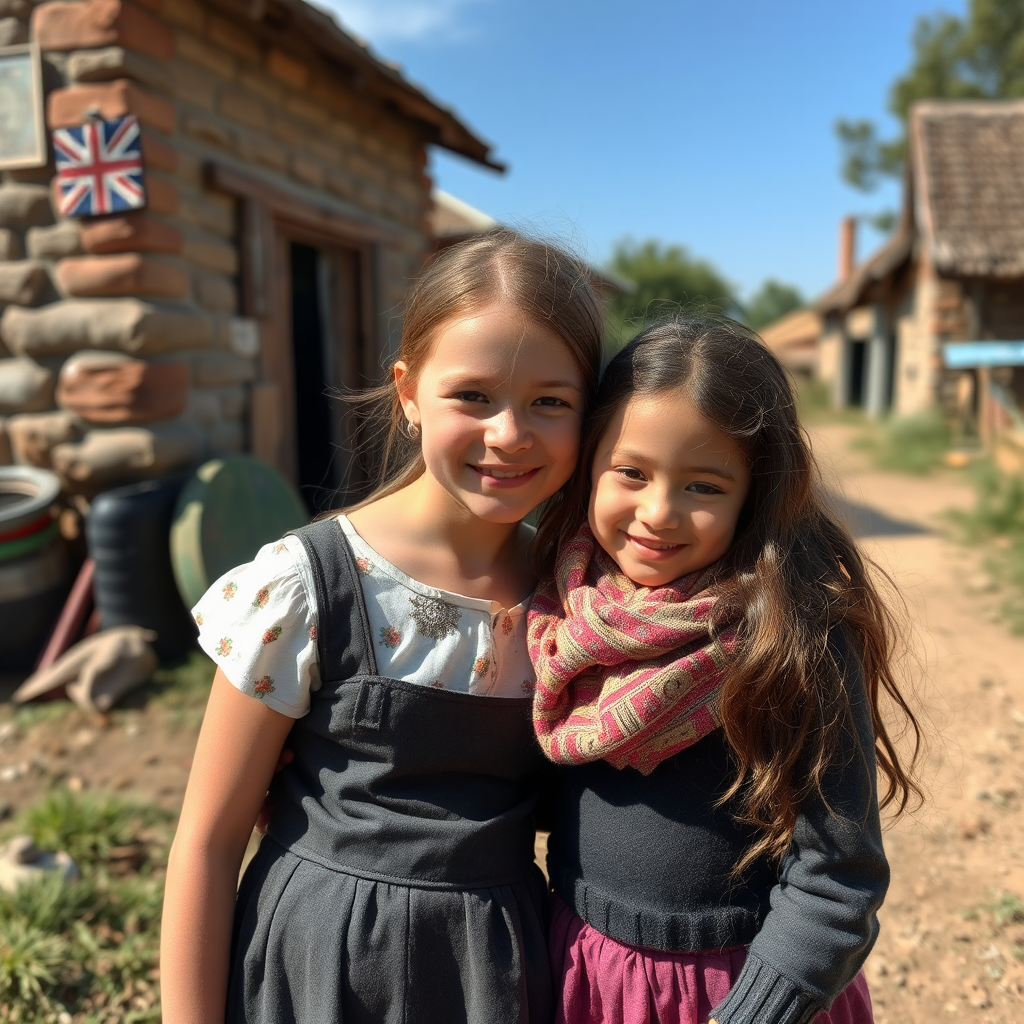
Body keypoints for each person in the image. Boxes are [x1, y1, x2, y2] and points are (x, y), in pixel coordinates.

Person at [159, 229, 604, 1024]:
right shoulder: (309, 586)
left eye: (551, 401)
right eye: (473, 395)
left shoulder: (577, 601)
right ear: (407, 393)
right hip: (315, 971)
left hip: (496, 978)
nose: (510, 433)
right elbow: (207, 839)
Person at [527, 312, 921, 1024]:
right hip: (583, 980)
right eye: (632, 473)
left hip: (737, 996)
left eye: (703, 486)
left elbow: (839, 877)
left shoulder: (790, 639)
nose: (658, 512)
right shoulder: (560, 619)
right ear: (590, 465)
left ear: (754, 492)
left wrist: (751, 1013)